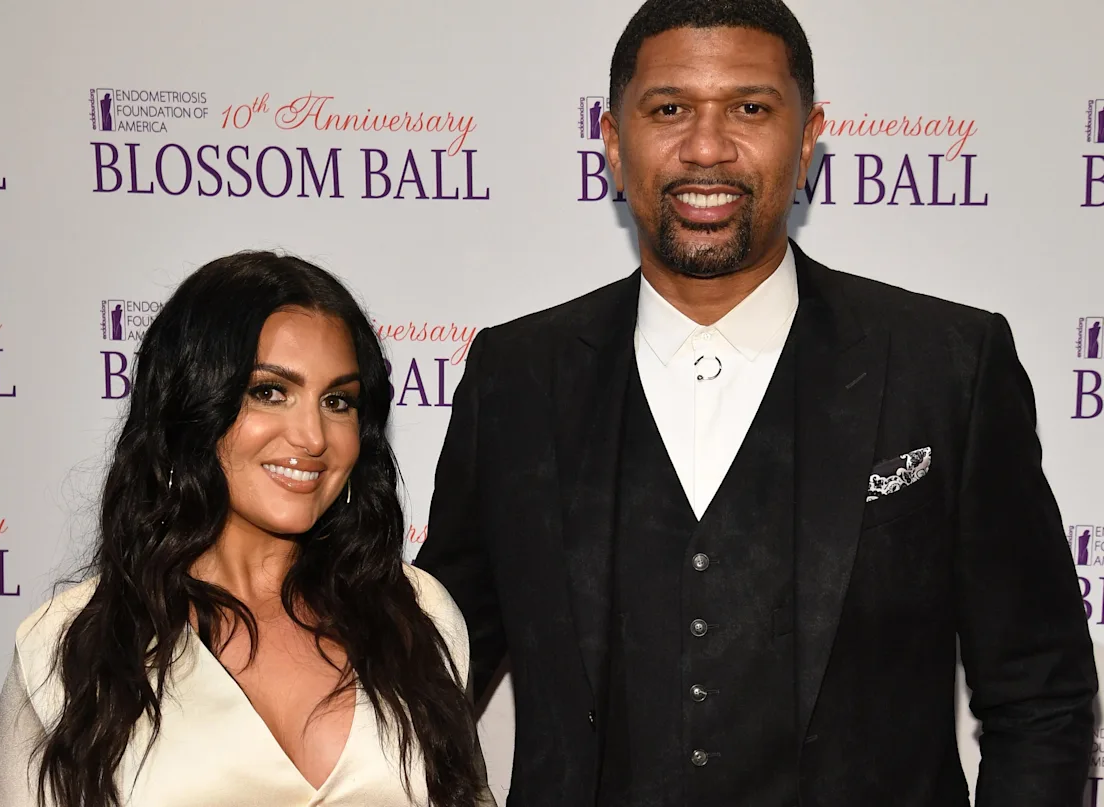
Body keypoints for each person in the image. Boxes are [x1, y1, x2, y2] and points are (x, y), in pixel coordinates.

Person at [415, 1, 1097, 805]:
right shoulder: (515, 378)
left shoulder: (947, 366)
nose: (706, 148)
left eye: (749, 108)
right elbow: (426, 678)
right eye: (669, 110)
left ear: (807, 140)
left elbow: (1041, 693)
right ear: (612, 141)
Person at [0, 251, 492, 807]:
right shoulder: (70, 648)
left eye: (337, 401)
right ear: (190, 407)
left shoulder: (419, 615)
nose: (313, 436)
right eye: (269, 392)